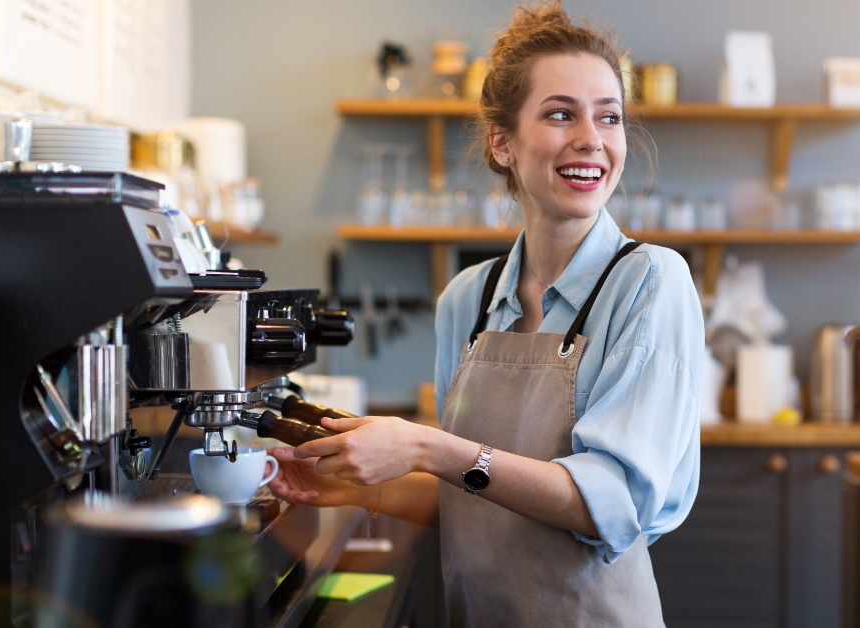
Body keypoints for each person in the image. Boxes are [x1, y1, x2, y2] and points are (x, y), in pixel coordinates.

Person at [269, 3, 703, 625]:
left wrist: (423, 445)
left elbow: (611, 506)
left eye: (609, 117)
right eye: (561, 114)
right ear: (502, 142)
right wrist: (370, 486)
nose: (592, 139)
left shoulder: (649, 281)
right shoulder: (468, 298)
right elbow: (474, 496)